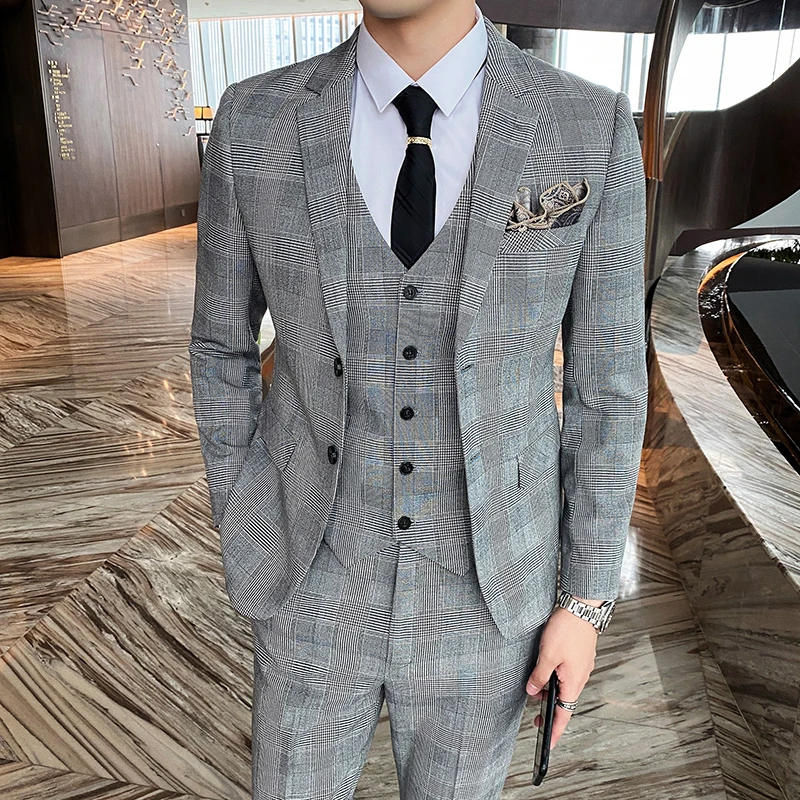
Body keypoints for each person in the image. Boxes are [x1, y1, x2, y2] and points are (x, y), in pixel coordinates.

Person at [188, 1, 648, 797]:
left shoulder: (589, 125)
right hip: (308, 578)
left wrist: (585, 599)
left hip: (491, 594)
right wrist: (244, 512)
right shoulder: (254, 120)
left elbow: (607, 383)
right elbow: (218, 346)